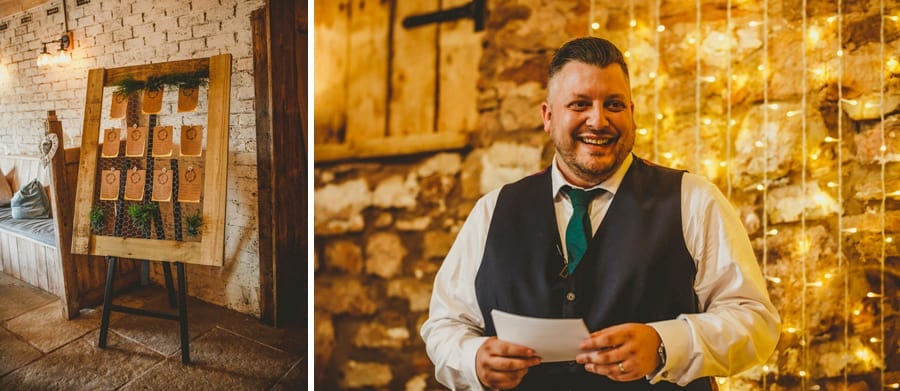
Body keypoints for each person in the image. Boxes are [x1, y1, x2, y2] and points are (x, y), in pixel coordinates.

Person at [420, 36, 781, 390]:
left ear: (632, 113)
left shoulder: (694, 199)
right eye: (579, 104)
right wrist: (473, 358)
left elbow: (754, 321)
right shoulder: (493, 209)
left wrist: (664, 344)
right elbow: (445, 325)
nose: (598, 120)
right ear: (548, 116)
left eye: (614, 105)